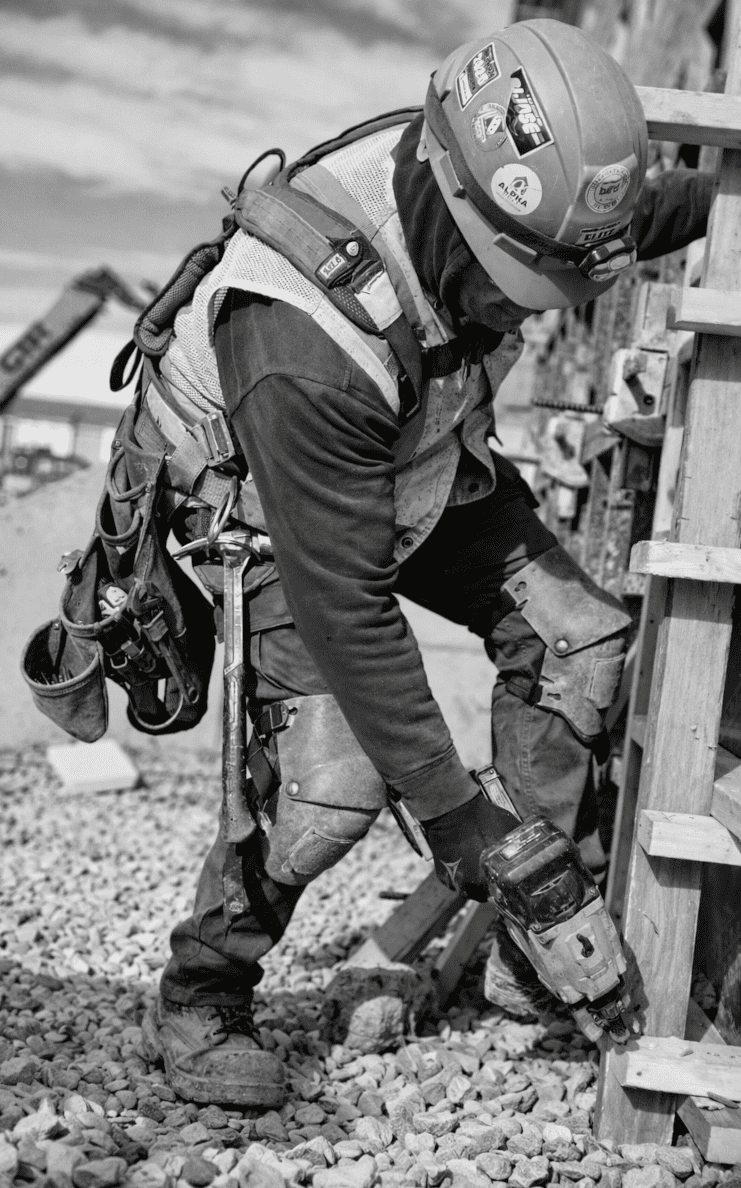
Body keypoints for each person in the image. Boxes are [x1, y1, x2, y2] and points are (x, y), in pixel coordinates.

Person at [134, 19, 713, 1107]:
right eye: (510, 285)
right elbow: (346, 607)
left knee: (579, 646)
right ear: (454, 204)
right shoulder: (299, 339)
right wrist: (459, 825)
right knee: (331, 785)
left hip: (416, 455)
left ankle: (517, 946)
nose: (518, 306)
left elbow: (648, 214)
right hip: (279, 500)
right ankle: (202, 988)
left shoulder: (531, 191)